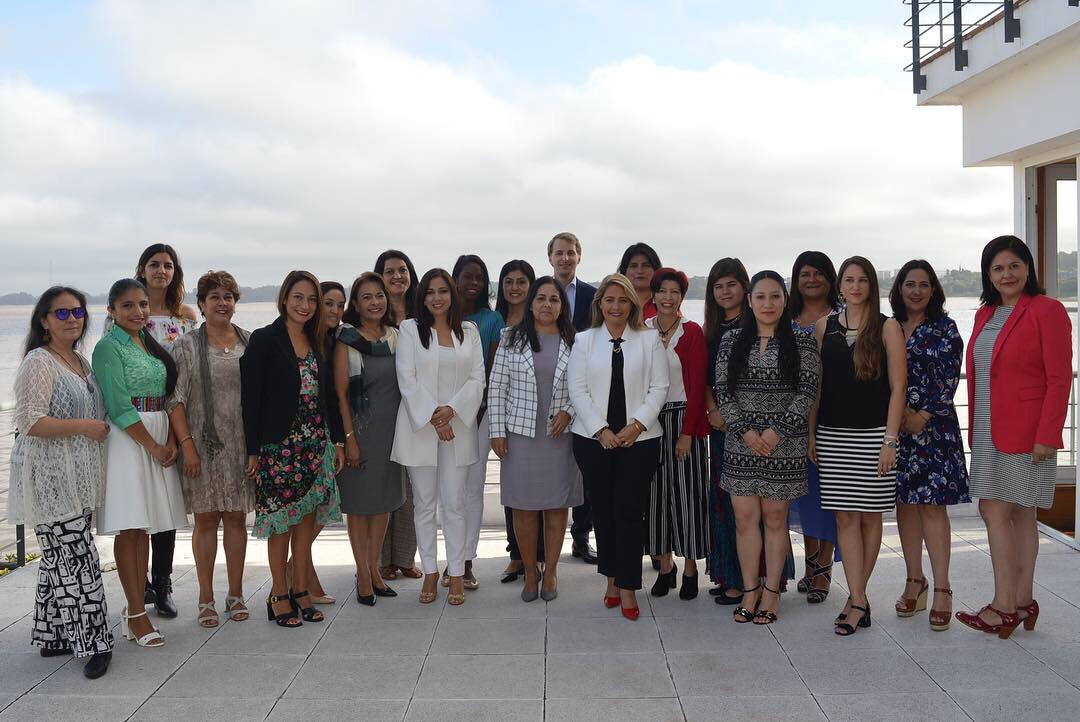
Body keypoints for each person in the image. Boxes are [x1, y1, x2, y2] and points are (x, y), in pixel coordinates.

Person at [956, 235, 1071, 639]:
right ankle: (1022, 601)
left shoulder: (1048, 310)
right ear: (989, 274)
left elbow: (1059, 380)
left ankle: (1003, 605)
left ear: (1028, 268)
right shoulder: (985, 314)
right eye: (998, 268)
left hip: (1028, 432)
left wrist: (1047, 434)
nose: (1006, 274)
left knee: (997, 511)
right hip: (989, 428)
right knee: (1018, 513)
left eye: (1014, 266)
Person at [8, 287, 113, 678]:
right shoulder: (40, 361)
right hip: (51, 478)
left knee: (58, 556)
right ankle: (96, 643)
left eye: (78, 312)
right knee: (79, 558)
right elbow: (31, 421)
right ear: (44, 320)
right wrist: (85, 426)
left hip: (80, 476)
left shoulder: (79, 362)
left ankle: (52, 634)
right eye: (63, 313)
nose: (73, 319)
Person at [241, 271, 345, 628]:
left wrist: (338, 442)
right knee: (280, 524)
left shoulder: (318, 339)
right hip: (279, 446)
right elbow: (250, 399)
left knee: (305, 522)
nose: (305, 305)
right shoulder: (265, 339)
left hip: (315, 443)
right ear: (285, 298)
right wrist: (252, 450)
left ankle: (301, 589)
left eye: (312, 300)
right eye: (298, 297)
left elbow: (328, 396)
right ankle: (278, 594)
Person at [716, 271, 821, 624]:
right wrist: (746, 432)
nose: (767, 304)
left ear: (785, 299)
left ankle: (772, 593)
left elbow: (807, 392)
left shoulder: (802, 342)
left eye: (775, 296)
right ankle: (750, 589)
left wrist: (777, 433)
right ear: (749, 300)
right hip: (740, 447)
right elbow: (722, 392)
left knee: (776, 520)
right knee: (745, 520)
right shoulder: (731, 340)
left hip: (784, 447)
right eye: (760, 297)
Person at [813, 257, 906, 636]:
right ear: (840, 285)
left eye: (862, 280)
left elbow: (899, 387)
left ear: (871, 285)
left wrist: (889, 441)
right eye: (848, 279)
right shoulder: (824, 327)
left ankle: (857, 598)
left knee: (869, 518)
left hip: (873, 437)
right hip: (832, 435)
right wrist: (809, 433)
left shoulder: (888, 327)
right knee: (844, 518)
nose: (855, 286)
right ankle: (858, 597)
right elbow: (816, 386)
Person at [93, 278, 188, 647]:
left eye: (143, 305)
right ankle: (135, 613)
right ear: (112, 311)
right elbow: (117, 404)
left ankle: (136, 609)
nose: (138, 312)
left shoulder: (147, 342)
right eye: (129, 306)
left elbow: (166, 395)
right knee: (129, 526)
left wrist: (171, 439)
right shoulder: (107, 347)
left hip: (155, 431)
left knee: (145, 527)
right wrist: (153, 445)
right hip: (129, 438)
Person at [105, 244, 198, 617]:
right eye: (154, 265)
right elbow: (114, 376)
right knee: (140, 508)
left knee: (167, 507)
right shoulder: (122, 324)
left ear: (176, 272)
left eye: (168, 265)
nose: (162, 271)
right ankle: (138, 584)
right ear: (142, 269)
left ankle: (162, 583)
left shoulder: (185, 316)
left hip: (176, 415)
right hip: (137, 423)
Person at [569, 273, 668, 620]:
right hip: (592, 440)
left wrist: (635, 426)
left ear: (632, 304)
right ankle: (611, 579)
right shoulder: (584, 341)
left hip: (640, 440)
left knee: (629, 512)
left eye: (622, 300)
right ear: (600, 305)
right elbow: (577, 390)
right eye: (609, 300)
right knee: (604, 512)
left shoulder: (649, 339)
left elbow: (660, 387)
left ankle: (628, 587)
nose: (615, 306)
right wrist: (601, 431)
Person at [390, 269, 486, 606]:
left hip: (457, 429)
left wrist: (450, 412)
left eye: (443, 291)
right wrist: (433, 415)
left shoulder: (469, 331)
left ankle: (456, 572)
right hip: (421, 429)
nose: (437, 297)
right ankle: (430, 571)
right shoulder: (409, 331)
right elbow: (407, 378)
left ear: (452, 295)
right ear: (423, 296)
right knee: (425, 505)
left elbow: (477, 380)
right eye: (430, 292)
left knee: (454, 504)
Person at [167, 271, 255, 627]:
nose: (222, 303)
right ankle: (205, 598)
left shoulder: (249, 342)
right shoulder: (186, 346)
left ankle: (235, 594)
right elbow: (173, 399)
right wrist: (186, 446)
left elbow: (259, 400)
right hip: (201, 446)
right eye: (215, 297)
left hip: (241, 447)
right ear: (201, 304)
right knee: (204, 521)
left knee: (236, 519)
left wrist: (257, 450)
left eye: (228, 297)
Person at [888, 260, 970, 631]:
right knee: (905, 505)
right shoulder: (888, 327)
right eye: (910, 284)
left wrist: (922, 413)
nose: (917, 291)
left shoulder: (945, 328)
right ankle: (914, 580)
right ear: (899, 289)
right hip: (895, 427)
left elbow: (949, 376)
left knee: (933, 509)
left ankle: (942, 588)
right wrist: (898, 416)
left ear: (934, 289)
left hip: (934, 429)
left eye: (924, 284)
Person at [489, 277, 581, 602]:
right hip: (520, 437)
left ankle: (552, 570)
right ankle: (530, 570)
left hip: (560, 436)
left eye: (553, 300)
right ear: (530, 304)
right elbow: (497, 387)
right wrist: (496, 431)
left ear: (562, 306)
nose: (546, 305)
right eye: (540, 298)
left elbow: (585, 386)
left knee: (557, 506)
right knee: (523, 508)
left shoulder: (575, 341)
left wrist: (569, 412)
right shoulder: (511, 338)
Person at [335, 273, 406, 605]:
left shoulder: (396, 337)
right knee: (361, 507)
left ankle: (375, 570)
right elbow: (340, 393)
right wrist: (349, 438)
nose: (376, 301)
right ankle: (363, 573)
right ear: (356, 304)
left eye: (380, 295)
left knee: (384, 504)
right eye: (367, 297)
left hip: (394, 431)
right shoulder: (346, 339)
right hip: (360, 432)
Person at [644, 269, 710, 601]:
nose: (668, 297)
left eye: (675, 292)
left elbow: (698, 387)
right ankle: (665, 565)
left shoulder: (692, 332)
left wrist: (687, 433)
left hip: (685, 417)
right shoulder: (641, 332)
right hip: (650, 421)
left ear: (682, 297)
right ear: (652, 296)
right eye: (662, 291)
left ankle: (689, 568)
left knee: (688, 496)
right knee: (656, 497)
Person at [787, 251, 841, 604]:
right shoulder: (786, 317)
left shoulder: (841, 316)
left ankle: (823, 570)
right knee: (805, 497)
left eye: (818, 274)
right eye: (804, 274)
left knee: (828, 495)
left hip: (831, 413)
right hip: (792, 416)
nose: (811, 280)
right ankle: (810, 566)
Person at [451, 254, 504, 590]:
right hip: (442, 419)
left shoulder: (492, 319)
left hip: (479, 416)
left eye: (479, 278)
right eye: (466, 276)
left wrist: (477, 408)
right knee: (447, 494)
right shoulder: (441, 317)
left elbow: (493, 370)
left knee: (472, 490)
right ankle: (449, 561)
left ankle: (466, 561)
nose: (473, 283)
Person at [493, 260, 545, 582]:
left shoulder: (542, 320)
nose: (514, 287)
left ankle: (538, 557)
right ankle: (517, 555)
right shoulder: (495, 321)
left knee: (541, 492)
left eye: (521, 282)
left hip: (539, 422)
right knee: (514, 492)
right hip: (503, 416)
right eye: (508, 281)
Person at [702, 258, 750, 605]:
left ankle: (746, 580)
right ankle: (725, 574)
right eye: (718, 286)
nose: (725, 291)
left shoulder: (756, 324)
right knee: (722, 501)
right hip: (721, 427)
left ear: (744, 286)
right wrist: (712, 410)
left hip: (751, 429)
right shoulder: (712, 329)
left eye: (731, 284)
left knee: (746, 508)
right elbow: (706, 379)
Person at [548, 231, 597, 564]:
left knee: (585, 472)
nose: (565, 258)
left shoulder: (594, 296)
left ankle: (581, 538)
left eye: (571, 252)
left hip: (586, 394)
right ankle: (538, 545)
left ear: (579, 256)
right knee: (548, 469)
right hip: (546, 391)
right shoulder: (543, 293)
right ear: (550, 257)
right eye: (559, 253)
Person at [374, 249, 422, 581]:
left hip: (417, 409)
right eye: (389, 271)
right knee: (382, 485)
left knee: (412, 489)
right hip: (382, 407)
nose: (397, 277)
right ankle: (380, 561)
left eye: (402, 270)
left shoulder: (422, 312)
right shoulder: (373, 313)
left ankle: (405, 557)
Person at [617, 243, 663, 320]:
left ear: (656, 270)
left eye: (646, 266)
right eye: (634, 266)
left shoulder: (665, 304)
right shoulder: (614, 305)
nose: (640, 271)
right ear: (625, 271)